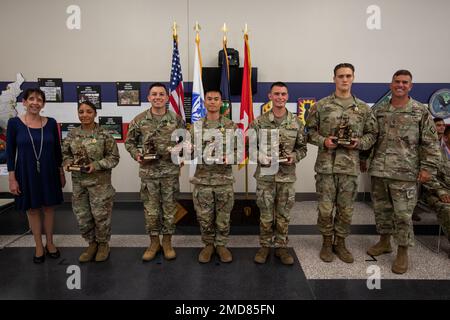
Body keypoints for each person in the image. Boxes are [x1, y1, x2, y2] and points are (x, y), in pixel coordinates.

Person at [366, 70, 441, 274]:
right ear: (391, 84)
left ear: (410, 86)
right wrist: (364, 160)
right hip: (380, 171)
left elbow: (431, 143)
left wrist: (428, 168)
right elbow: (371, 137)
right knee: (382, 211)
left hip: (405, 174)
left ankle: (402, 251)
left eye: (404, 82)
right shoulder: (379, 110)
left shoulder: (419, 111)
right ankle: (384, 242)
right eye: (397, 81)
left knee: (403, 215)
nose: (400, 85)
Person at [306, 63, 378, 263]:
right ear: (334, 79)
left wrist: (360, 143)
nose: (344, 80)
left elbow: (373, 134)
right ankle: (327, 242)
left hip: (349, 167)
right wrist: (323, 141)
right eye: (340, 76)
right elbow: (308, 132)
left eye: (348, 76)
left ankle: (341, 243)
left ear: (353, 78)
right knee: (325, 208)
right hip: (326, 167)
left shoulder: (363, 108)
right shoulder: (320, 106)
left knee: (346, 209)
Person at [125, 82, 185, 261]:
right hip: (149, 174)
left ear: (167, 98)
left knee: (169, 209)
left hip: (169, 173)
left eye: (161, 94)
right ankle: (153, 243)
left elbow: (185, 142)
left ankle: (167, 242)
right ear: (149, 97)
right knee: (151, 211)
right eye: (154, 94)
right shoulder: (139, 120)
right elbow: (130, 143)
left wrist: (180, 152)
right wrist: (137, 155)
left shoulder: (176, 120)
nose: (158, 97)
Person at [6, 88, 65, 263]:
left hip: (49, 171)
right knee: (32, 209)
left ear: (43, 104)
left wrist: (61, 172)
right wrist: (12, 178)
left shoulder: (51, 123)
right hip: (25, 172)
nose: (35, 102)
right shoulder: (14, 123)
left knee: (48, 208)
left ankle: (50, 243)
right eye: (31, 99)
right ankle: (38, 245)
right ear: (24, 102)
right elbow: (10, 153)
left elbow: (57, 151)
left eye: (39, 100)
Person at [251, 82, 307, 265]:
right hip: (266, 177)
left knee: (283, 215)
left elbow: (302, 148)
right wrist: (260, 156)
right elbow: (250, 147)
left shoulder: (296, 123)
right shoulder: (258, 122)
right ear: (270, 96)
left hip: (286, 177)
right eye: (276, 94)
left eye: (283, 94)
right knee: (266, 214)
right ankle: (265, 246)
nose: (280, 97)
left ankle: (281, 247)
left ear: (287, 96)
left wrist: (294, 156)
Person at [62, 101, 120, 262]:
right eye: (81, 112)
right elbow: (65, 153)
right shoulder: (72, 134)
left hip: (99, 185)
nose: (84, 115)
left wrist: (96, 165)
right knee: (83, 216)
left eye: (88, 111)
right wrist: (67, 163)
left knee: (100, 216)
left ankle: (103, 244)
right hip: (79, 185)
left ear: (95, 114)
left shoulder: (104, 134)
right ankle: (91, 243)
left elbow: (114, 158)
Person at [190, 89, 236, 263]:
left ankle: (222, 244)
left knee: (223, 216)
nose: (212, 102)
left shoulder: (231, 126)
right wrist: (188, 151)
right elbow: (189, 153)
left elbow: (240, 152)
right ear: (204, 102)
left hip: (224, 180)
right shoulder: (195, 127)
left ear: (221, 102)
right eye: (209, 99)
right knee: (204, 216)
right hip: (202, 181)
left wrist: (229, 157)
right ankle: (208, 244)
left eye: (216, 99)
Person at [422, 125, 450, 258]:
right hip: (436, 192)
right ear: (445, 137)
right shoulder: (435, 153)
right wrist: (441, 192)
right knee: (447, 209)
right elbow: (428, 177)